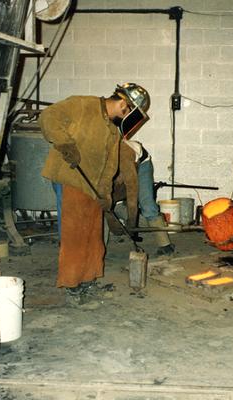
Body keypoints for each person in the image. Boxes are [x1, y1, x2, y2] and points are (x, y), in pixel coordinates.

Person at [39, 83, 150, 305]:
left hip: (92, 186)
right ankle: (71, 285)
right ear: (123, 103)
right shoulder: (83, 104)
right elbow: (48, 117)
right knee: (74, 235)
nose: (126, 117)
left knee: (93, 236)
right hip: (70, 178)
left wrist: (105, 195)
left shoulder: (112, 130)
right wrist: (64, 143)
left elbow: (109, 168)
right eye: (128, 112)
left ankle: (88, 280)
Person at [111, 140, 175, 256]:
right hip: (122, 165)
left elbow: (132, 201)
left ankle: (165, 245)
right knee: (102, 206)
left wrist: (131, 228)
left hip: (141, 164)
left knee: (147, 205)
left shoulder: (126, 163)